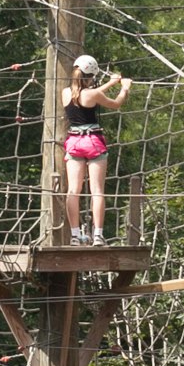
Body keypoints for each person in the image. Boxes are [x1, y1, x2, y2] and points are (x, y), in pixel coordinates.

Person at [63, 53, 132, 244]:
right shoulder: (92, 94)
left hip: (74, 143)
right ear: (91, 76)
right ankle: (98, 234)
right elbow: (116, 104)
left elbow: (89, 94)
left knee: (73, 191)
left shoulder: (66, 93)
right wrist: (124, 88)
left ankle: (75, 235)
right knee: (97, 191)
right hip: (93, 142)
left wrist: (110, 83)